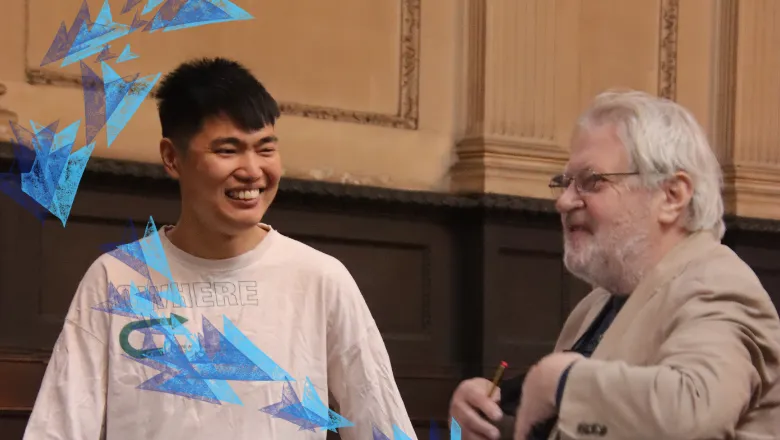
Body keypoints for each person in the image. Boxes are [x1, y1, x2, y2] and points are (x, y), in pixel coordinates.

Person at [23, 57, 416, 440]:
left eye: (265, 148)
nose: (252, 170)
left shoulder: (320, 278)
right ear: (172, 157)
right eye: (227, 150)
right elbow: (60, 425)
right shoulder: (116, 277)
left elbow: (379, 421)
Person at [449, 90, 780, 440]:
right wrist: (481, 413)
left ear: (671, 196)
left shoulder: (718, 285)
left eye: (591, 182)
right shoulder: (596, 305)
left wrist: (562, 382)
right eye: (564, 183)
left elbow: (695, 409)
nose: (563, 201)